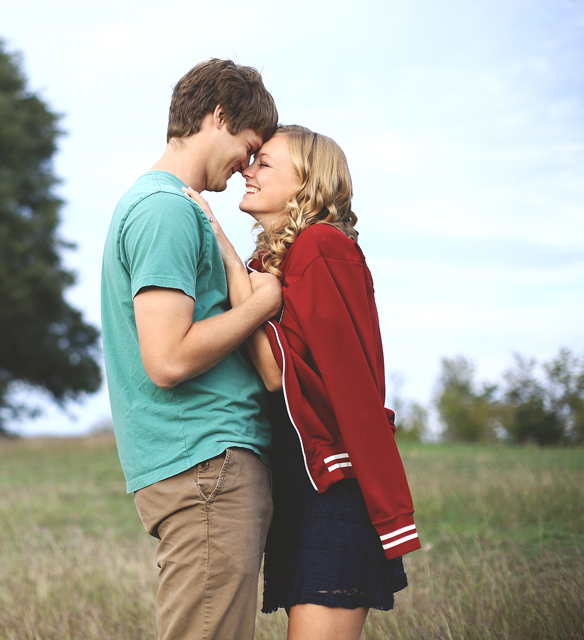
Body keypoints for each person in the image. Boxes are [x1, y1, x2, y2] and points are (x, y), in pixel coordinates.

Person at [184, 124, 421, 640]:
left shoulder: (322, 245)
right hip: (299, 486)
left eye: (264, 163)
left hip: (333, 488)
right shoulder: (274, 262)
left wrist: (222, 245)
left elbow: (276, 372)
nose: (247, 170)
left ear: (307, 182)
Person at [100, 59, 282, 640]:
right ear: (219, 116)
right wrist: (260, 305)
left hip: (204, 464)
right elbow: (168, 358)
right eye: (248, 147)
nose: (248, 167)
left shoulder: (168, 206)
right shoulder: (166, 210)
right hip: (206, 463)